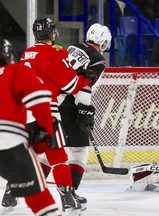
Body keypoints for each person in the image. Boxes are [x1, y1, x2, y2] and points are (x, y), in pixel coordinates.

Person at [1, 17, 96, 213]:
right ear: (52, 34)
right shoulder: (55, 51)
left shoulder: (27, 53)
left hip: (21, 111)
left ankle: (10, 196)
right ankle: (68, 199)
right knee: (57, 155)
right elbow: (69, 85)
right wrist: (83, 79)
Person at [0, 47, 61, 215]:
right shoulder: (17, 70)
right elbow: (40, 101)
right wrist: (45, 133)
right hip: (10, 142)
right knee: (39, 200)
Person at [56, 23, 111, 210]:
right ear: (103, 41)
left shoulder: (73, 47)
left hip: (51, 100)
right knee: (79, 151)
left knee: (48, 151)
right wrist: (85, 109)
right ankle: (70, 195)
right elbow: (84, 88)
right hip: (69, 103)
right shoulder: (98, 60)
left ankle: (11, 192)